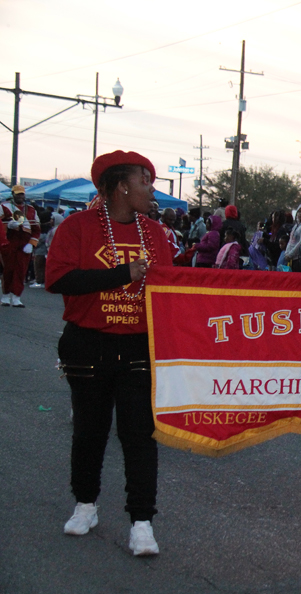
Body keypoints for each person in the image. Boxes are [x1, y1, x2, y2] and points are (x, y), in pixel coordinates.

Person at [45, 150, 174, 556]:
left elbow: (169, 288)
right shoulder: (77, 226)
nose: (150, 189)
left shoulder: (155, 232)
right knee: (89, 432)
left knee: (139, 435)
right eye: (144, 180)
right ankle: (85, 504)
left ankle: (142, 522)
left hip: (138, 345)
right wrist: (123, 273)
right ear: (121, 185)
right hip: (88, 344)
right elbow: (58, 279)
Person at [1, 184, 41, 307]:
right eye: (17, 194)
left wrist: (31, 244)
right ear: (12, 194)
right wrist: (8, 226)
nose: (20, 196)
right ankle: (5, 295)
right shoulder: (4, 207)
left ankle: (17, 297)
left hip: (24, 243)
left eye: (22, 194)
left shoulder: (31, 210)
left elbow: (36, 229)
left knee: (21, 271)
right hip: (10, 242)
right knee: (8, 270)